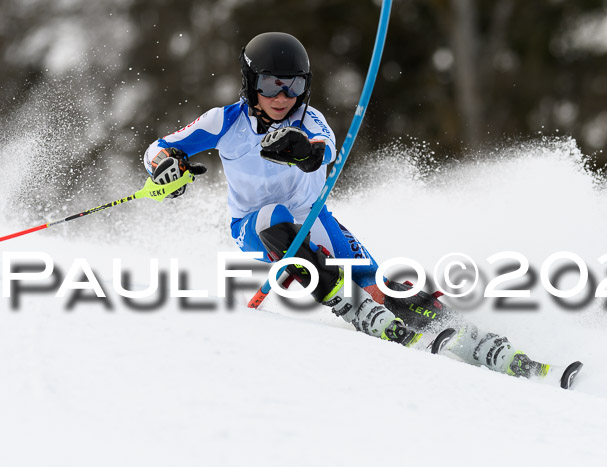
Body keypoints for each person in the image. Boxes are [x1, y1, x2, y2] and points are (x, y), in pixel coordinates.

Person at [143, 32, 582, 388]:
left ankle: (481, 343)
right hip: (253, 229)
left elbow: (321, 152)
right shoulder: (224, 122)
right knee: (273, 217)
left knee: (381, 286)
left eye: (293, 84)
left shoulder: (311, 123)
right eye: (271, 84)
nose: (282, 95)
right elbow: (159, 149)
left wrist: (300, 151)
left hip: (315, 221)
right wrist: (165, 167)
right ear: (250, 83)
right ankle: (347, 304)